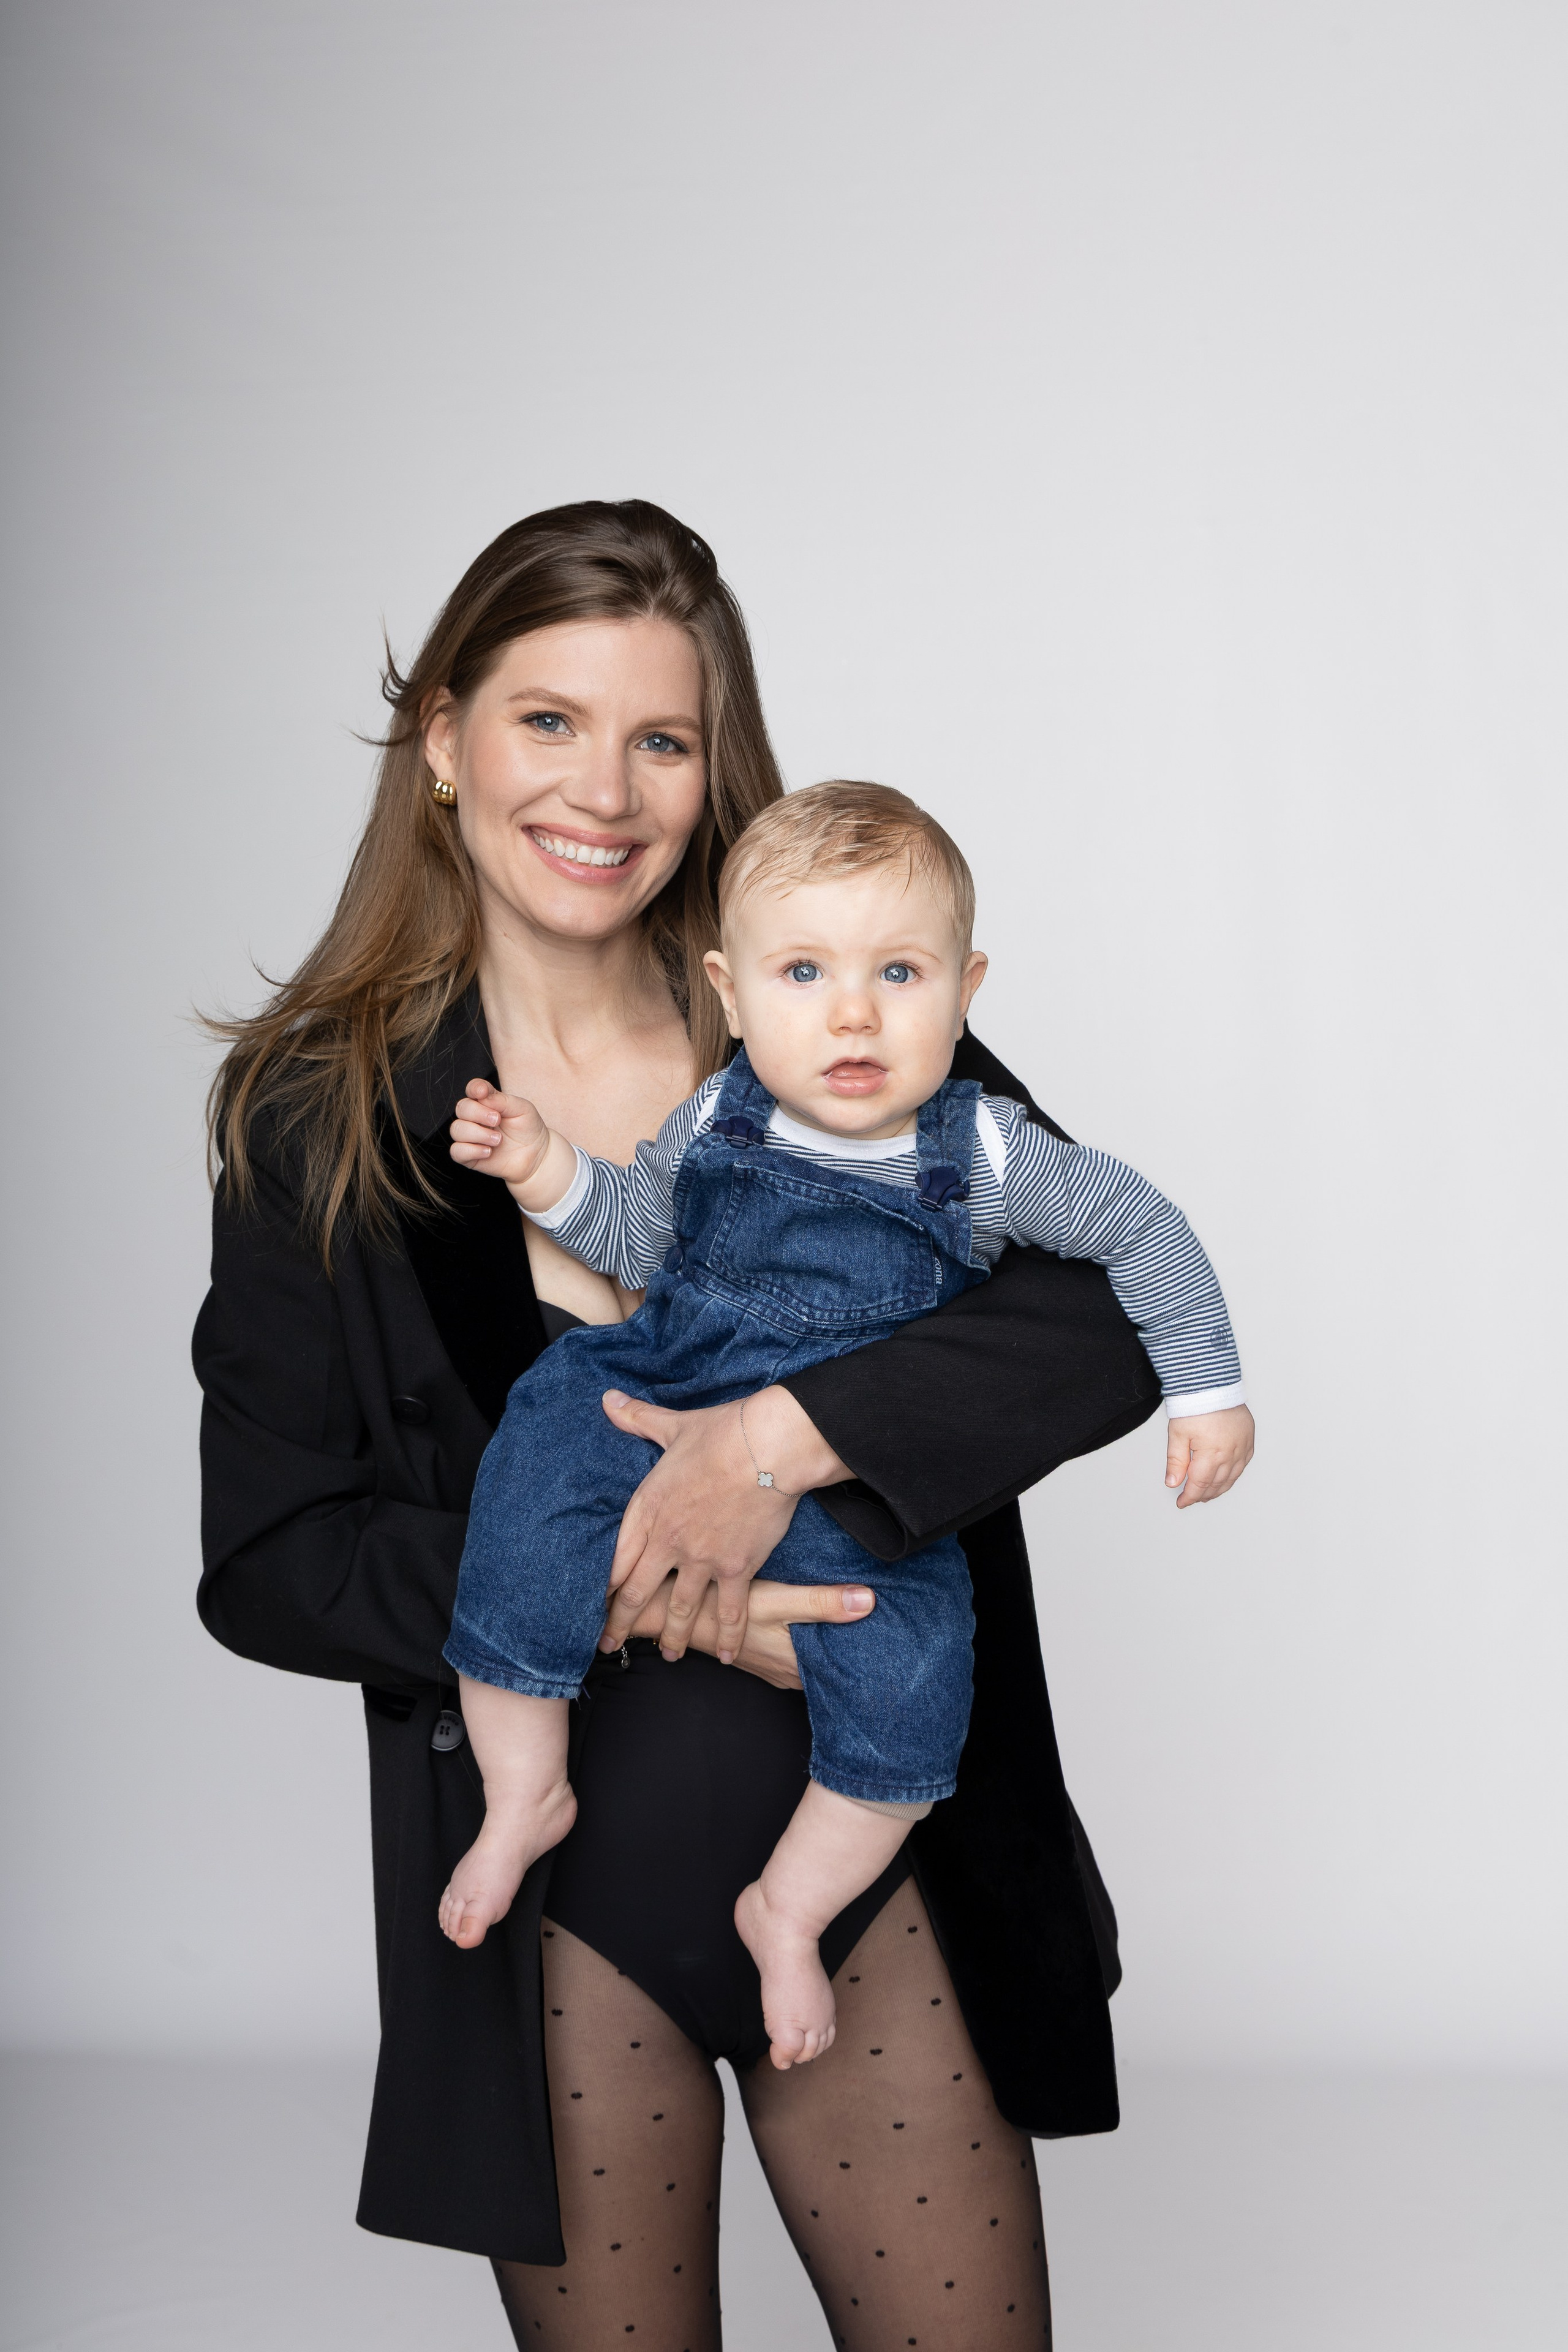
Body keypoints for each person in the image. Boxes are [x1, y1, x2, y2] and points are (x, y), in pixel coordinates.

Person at [194, 499, 1248, 2349]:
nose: (603, 787)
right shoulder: (322, 1117)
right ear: (442, 739)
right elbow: (274, 1559)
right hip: (558, 1906)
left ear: (711, 771)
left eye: (662, 739)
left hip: (878, 1850)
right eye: (548, 721)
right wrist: (646, 1584)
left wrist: (778, 1442)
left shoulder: (822, 1018)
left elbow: (1096, 1310)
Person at [439, 781, 1252, 2072]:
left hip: (848, 1489)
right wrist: (543, 1168)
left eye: (899, 972)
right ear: (732, 989)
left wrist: (1207, 1389)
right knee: (534, 1469)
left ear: (965, 985)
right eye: (804, 972)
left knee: (920, 1680)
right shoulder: (716, 1113)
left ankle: (790, 1909)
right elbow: (639, 1245)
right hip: (665, 1383)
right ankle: (523, 1786)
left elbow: (1137, 1231)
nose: (853, 1012)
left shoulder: (982, 1148)